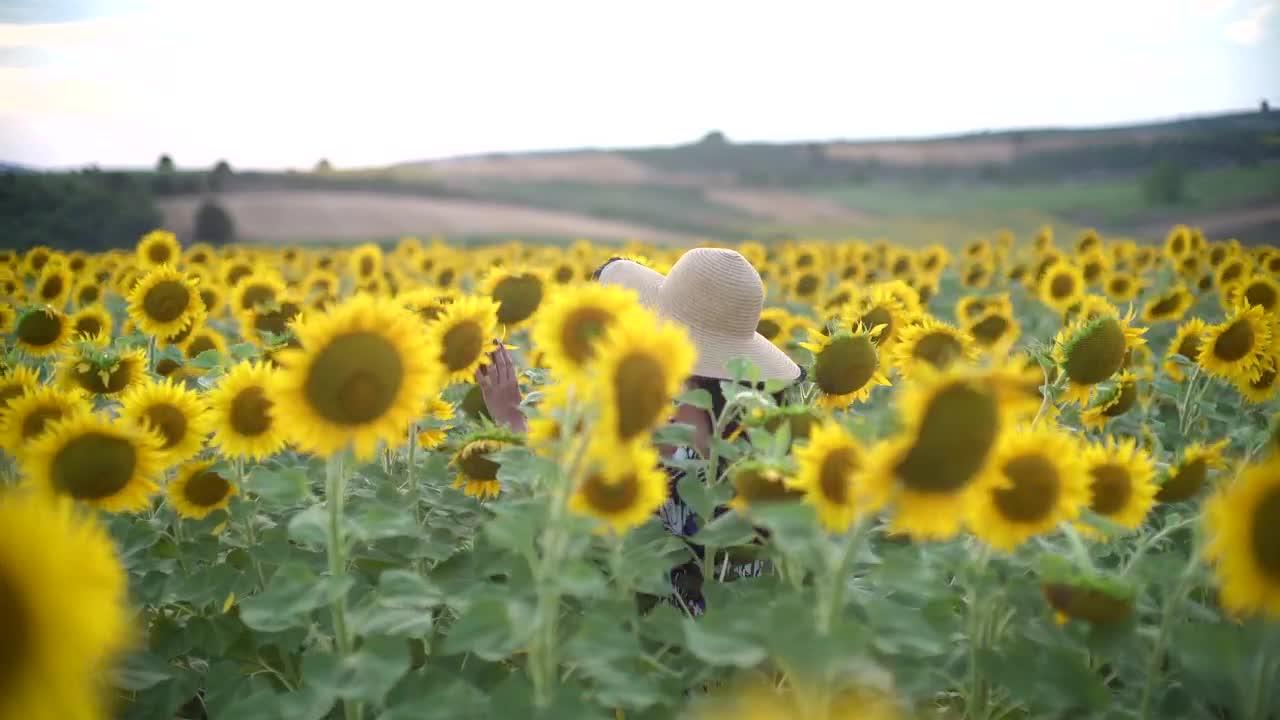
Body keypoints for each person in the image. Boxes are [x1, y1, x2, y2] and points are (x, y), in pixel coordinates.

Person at [476, 248, 805, 613]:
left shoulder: (665, 434)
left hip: (664, 644)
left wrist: (511, 418)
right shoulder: (761, 442)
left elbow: (573, 508)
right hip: (741, 641)